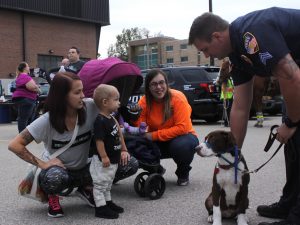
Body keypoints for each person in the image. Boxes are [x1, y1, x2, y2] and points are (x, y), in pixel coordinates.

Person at [188, 7, 300, 225]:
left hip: (296, 76)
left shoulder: (251, 33)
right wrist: (232, 153)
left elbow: (291, 77)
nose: (207, 55)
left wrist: (291, 121)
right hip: (296, 76)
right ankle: (290, 203)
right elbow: (240, 106)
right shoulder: (237, 56)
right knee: (294, 145)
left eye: (205, 49)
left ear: (216, 36)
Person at [8, 71, 98, 218]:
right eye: (77, 92)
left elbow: (111, 113)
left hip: (84, 168)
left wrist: (123, 149)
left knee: (127, 164)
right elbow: (14, 145)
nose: (83, 95)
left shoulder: (90, 106)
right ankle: (53, 196)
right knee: (54, 177)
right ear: (62, 96)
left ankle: (85, 188)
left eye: (82, 90)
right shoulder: (47, 120)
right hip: (61, 172)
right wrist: (43, 164)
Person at [133, 69, 199, 186]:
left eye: (161, 83)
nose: (158, 87)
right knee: (135, 144)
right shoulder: (144, 101)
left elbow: (182, 128)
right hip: (158, 141)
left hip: (182, 137)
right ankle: (156, 169)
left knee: (182, 146)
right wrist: (134, 121)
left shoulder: (178, 98)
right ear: (148, 87)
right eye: (154, 84)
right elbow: (139, 126)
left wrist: (153, 135)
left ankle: (183, 172)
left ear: (166, 84)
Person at [91, 84, 130, 219]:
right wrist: (104, 156)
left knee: (108, 183)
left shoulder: (111, 117)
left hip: (113, 159)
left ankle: (107, 203)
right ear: (105, 102)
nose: (119, 103)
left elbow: (119, 134)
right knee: (101, 183)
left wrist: (123, 149)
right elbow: (99, 141)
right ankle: (100, 208)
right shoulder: (100, 121)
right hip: (103, 161)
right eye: (116, 99)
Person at [12, 62, 40, 133]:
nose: (29, 67)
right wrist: (37, 88)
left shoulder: (19, 76)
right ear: (25, 68)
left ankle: (26, 133)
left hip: (21, 98)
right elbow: (31, 87)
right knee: (24, 117)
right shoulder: (25, 76)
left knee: (25, 117)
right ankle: (22, 134)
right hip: (26, 99)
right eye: (28, 66)